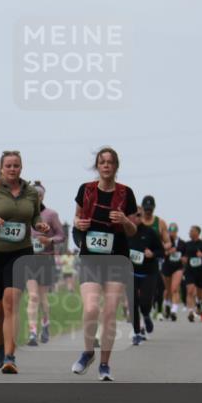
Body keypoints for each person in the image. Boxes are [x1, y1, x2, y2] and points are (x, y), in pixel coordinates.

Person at [71, 147, 139, 381]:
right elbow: (76, 219)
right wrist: (79, 225)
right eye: (102, 162)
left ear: (116, 166)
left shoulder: (126, 193)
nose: (106, 166)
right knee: (91, 308)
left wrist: (123, 220)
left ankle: (104, 365)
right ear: (97, 166)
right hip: (90, 256)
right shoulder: (86, 190)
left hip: (117, 257)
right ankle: (88, 352)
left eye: (110, 162)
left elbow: (133, 229)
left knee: (109, 312)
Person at [0, 152, 49, 373]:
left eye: (16, 166)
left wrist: (40, 226)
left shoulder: (30, 192)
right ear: (1, 168)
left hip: (20, 252)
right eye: (8, 166)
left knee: (11, 302)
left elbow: (35, 216)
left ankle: (10, 356)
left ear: (21, 167)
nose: (12, 169)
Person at [26, 181, 65, 346]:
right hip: (28, 258)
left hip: (46, 258)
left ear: (43, 196)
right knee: (33, 296)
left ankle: (45, 324)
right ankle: (32, 332)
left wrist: (49, 239)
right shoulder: (24, 213)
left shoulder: (51, 214)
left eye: (39, 195)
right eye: (34, 195)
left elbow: (61, 235)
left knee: (42, 297)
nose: (37, 198)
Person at [127, 212, 165, 344]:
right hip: (131, 273)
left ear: (141, 217)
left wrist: (153, 253)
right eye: (132, 215)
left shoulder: (150, 232)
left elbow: (162, 252)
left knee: (144, 302)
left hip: (149, 272)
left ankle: (147, 315)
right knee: (133, 303)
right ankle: (137, 332)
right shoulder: (124, 232)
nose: (135, 218)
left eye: (138, 215)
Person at [181, 226, 202, 322]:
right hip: (189, 271)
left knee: (200, 294)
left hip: (200, 271)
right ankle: (191, 312)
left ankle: (198, 303)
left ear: (197, 233)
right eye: (189, 231)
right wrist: (183, 259)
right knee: (190, 290)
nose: (189, 232)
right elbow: (182, 255)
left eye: (191, 231)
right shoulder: (187, 244)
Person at [161, 222, 184, 321]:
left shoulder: (182, 243)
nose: (172, 233)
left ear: (177, 232)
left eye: (174, 231)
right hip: (166, 267)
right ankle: (166, 305)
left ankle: (174, 311)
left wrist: (184, 258)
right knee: (167, 290)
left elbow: (186, 255)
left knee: (174, 289)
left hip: (178, 268)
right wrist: (168, 252)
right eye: (170, 231)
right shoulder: (165, 242)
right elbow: (160, 253)